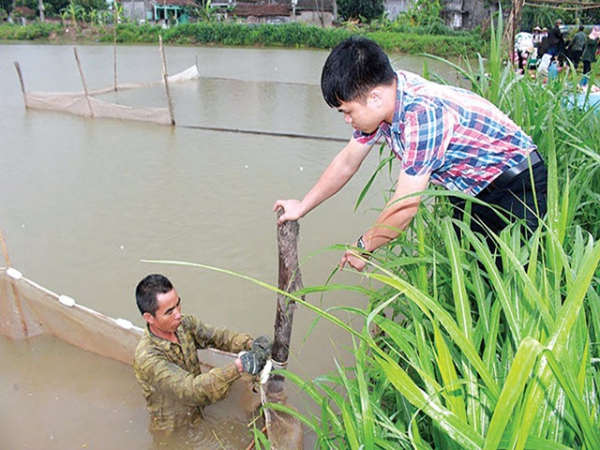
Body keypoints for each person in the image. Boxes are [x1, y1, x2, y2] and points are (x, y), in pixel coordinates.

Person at [273, 36, 547, 272]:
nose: (347, 120)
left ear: (375, 98)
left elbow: (405, 206)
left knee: (521, 282)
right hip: (471, 190)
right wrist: (303, 205)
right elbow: (347, 162)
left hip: (517, 187)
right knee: (481, 279)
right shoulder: (386, 99)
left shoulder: (422, 114)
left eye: (347, 111)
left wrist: (363, 246)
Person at [133, 273, 272, 434]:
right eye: (169, 312)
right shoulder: (148, 358)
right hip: (175, 429)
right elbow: (191, 390)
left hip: (199, 411)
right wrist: (239, 366)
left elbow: (217, 337)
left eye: (178, 304)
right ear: (149, 317)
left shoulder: (183, 324)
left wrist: (250, 343)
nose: (178, 314)